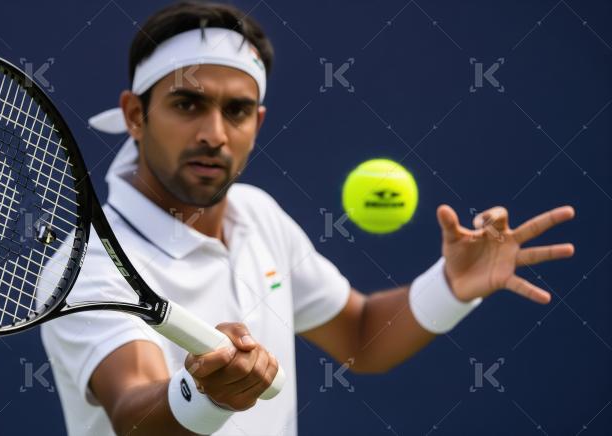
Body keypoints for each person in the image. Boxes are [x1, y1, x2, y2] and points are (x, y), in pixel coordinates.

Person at [40, 2, 576, 435]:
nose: (215, 134)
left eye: (237, 110)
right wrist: (203, 396)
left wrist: (453, 285)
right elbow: (134, 413)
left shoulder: (259, 215)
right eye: (187, 104)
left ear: (259, 120)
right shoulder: (86, 266)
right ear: (137, 114)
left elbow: (361, 334)